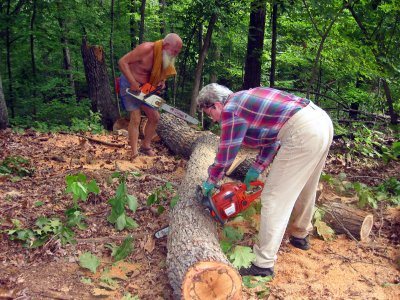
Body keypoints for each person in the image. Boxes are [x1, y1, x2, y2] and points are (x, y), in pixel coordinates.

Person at [197, 83, 333, 277]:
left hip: (304, 129)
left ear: (216, 105)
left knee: (273, 197)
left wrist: (211, 179)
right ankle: (299, 235)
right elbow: (273, 137)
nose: (214, 120)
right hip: (321, 120)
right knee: (306, 186)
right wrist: (256, 168)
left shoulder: (230, 110)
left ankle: (263, 264)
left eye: (210, 115)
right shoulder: (246, 99)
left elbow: (227, 151)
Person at [118, 33, 183, 159]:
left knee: (155, 117)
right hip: (129, 83)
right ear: (166, 45)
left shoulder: (165, 56)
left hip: (147, 87)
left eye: (177, 52)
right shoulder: (146, 49)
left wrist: (161, 82)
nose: (175, 54)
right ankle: (134, 153)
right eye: (174, 51)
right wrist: (132, 82)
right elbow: (122, 62)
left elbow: (160, 73)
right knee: (136, 118)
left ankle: (145, 146)